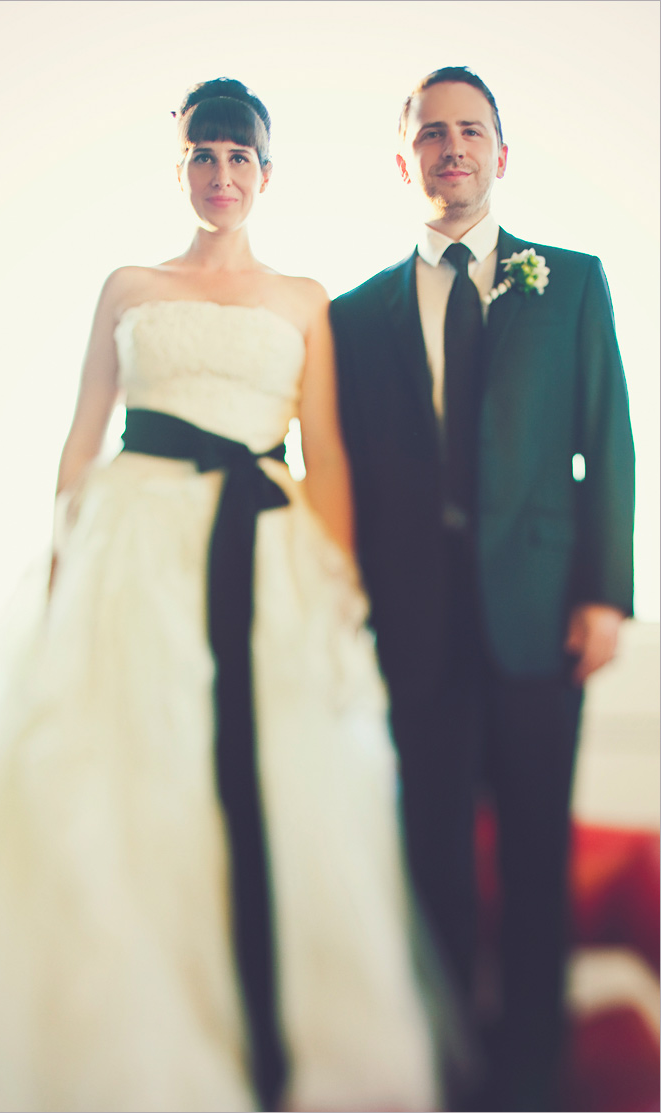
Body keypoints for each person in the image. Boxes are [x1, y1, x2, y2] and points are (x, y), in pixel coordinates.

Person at [0, 78, 446, 1113]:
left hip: (264, 550)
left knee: (281, 776)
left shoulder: (302, 298)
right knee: (136, 771)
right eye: (202, 154)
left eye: (239, 157)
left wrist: (340, 584)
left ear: (266, 174)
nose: (220, 173)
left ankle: (288, 1050)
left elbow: (326, 452)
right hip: (133, 552)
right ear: (179, 167)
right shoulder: (128, 285)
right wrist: (61, 567)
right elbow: (82, 437)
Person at [330, 66, 635, 1112]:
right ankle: (447, 1064)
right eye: (431, 133)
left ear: (500, 154)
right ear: (404, 158)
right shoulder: (352, 316)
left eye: (470, 131)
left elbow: (607, 441)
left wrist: (605, 594)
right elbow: (342, 469)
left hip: (543, 620)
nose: (451, 147)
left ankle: (533, 1074)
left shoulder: (572, 282)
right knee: (433, 861)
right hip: (413, 625)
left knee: (538, 854)